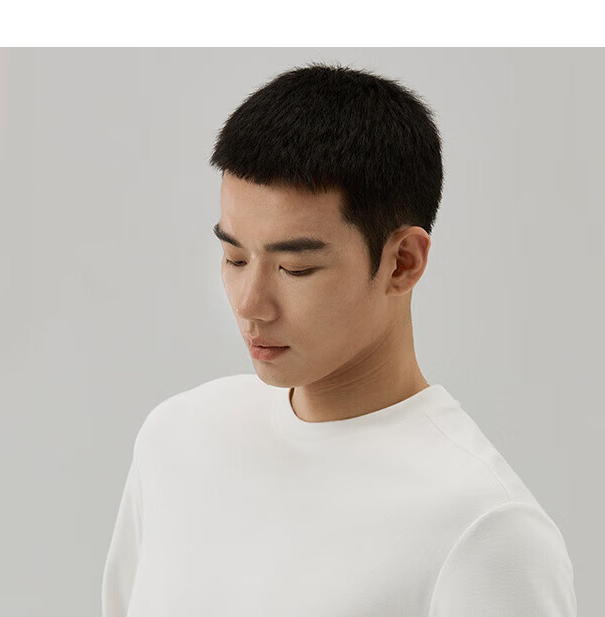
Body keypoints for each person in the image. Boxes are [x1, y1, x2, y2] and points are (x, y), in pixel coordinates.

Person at [101, 61, 577, 616]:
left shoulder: (483, 530)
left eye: (296, 268)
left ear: (402, 262)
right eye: (234, 258)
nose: (249, 304)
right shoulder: (176, 440)